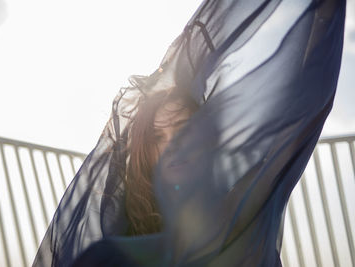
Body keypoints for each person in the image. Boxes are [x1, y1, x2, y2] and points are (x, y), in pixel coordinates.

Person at [33, 0, 346, 266]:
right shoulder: (119, 234)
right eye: (156, 137)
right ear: (144, 152)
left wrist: (324, 12)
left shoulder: (245, 205)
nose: (171, 146)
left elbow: (303, 99)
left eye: (182, 131)